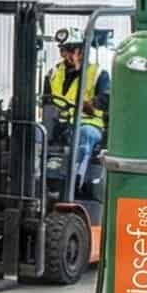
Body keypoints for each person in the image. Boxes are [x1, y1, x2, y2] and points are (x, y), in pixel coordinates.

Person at [47, 38, 111, 193]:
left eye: (75, 50)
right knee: (34, 132)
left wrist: (91, 104)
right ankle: (37, 181)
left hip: (88, 123)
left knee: (85, 134)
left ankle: (73, 185)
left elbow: (106, 98)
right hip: (60, 124)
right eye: (65, 50)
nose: (71, 55)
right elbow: (46, 101)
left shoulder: (98, 74)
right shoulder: (54, 73)